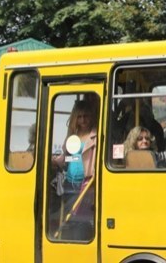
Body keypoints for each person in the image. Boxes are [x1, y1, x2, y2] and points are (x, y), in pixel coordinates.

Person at [51, 99, 98, 238]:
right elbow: (69, 158)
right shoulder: (72, 136)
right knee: (69, 218)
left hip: (86, 183)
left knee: (81, 219)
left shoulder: (96, 135)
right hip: (70, 183)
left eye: (86, 116)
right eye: (80, 117)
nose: (83, 120)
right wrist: (54, 161)